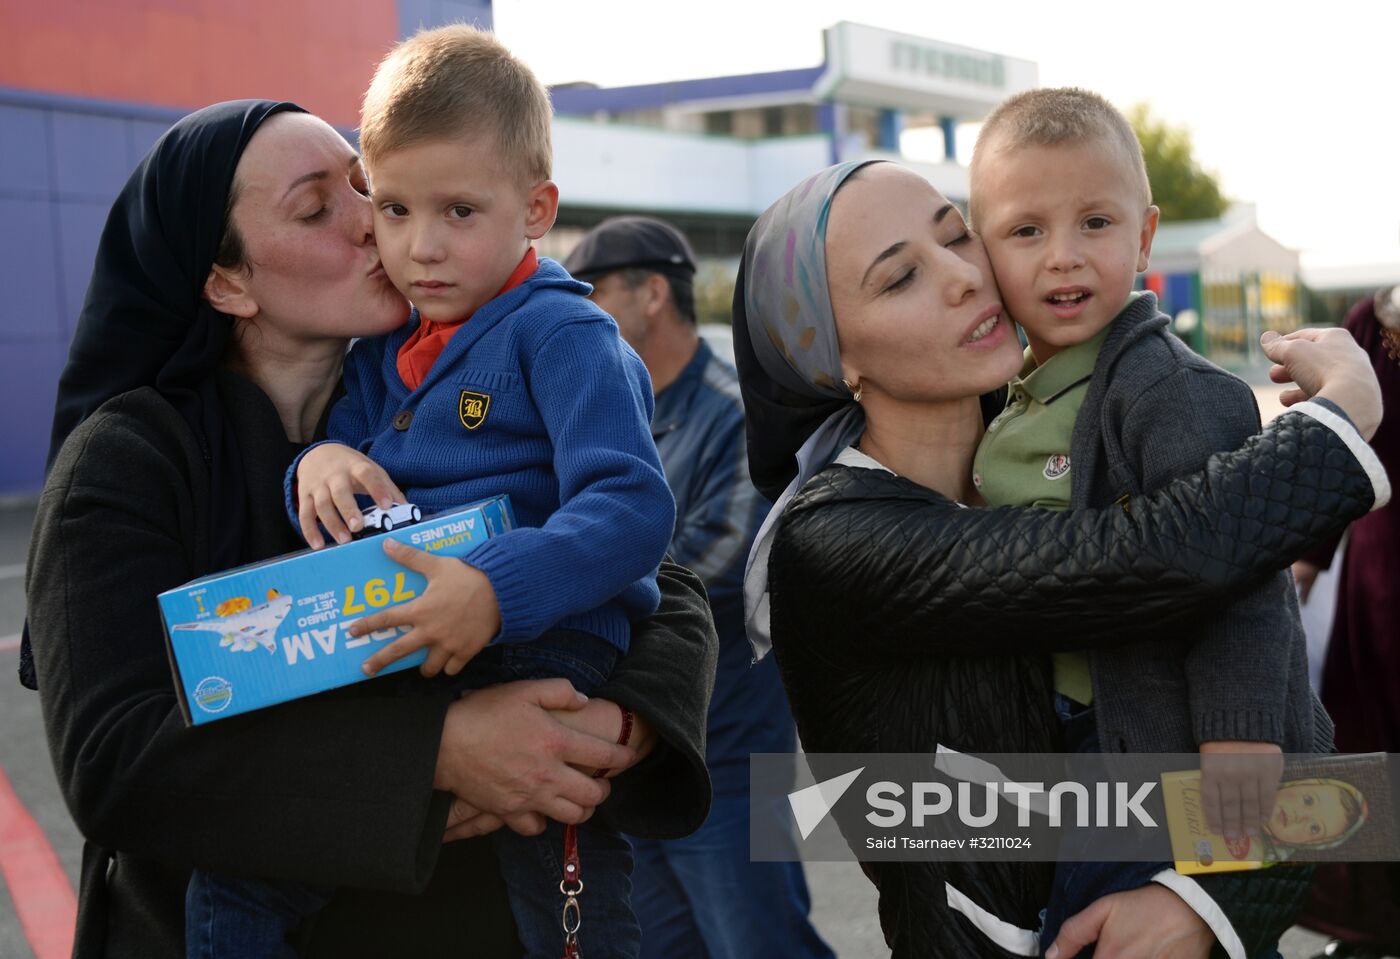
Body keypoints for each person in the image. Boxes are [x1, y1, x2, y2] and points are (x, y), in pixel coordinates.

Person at [25, 99, 717, 959]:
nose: (376, 224)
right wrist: (440, 750)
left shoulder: (432, 369)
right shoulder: (129, 457)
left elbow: (662, 570)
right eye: (319, 208)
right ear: (227, 282)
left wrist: (621, 721)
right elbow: (114, 757)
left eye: (367, 187)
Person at [731, 160, 1389, 959]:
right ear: (832, 361)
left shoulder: (1071, 447)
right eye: (901, 276)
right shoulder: (832, 541)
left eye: (956, 236)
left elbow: (1298, 753)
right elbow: (1160, 560)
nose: (963, 278)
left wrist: (1204, 898)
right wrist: (1341, 416)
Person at [195, 27, 674, 959]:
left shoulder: (565, 334)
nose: (421, 248)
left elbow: (630, 506)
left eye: (460, 211)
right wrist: (318, 465)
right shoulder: (383, 349)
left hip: (541, 656)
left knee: (570, 916)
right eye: (397, 208)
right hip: (408, 647)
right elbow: (352, 448)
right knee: (239, 876)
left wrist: (495, 586)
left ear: (535, 208)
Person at [966, 87, 1322, 948]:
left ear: (1146, 236)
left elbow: (1243, 565)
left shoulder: (1166, 389)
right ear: (983, 251)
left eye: (1095, 222)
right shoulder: (1014, 395)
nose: (1063, 257)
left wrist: (1240, 732)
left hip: (1165, 744)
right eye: (1026, 231)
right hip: (1071, 740)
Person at [565, 216, 834, 959]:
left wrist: (577, 571)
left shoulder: (737, 412)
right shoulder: (610, 410)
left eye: (594, 292)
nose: (578, 310)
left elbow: (724, 565)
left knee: (762, 942)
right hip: (645, 748)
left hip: (739, 755)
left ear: (653, 293)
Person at [1293, 287, 1400, 959]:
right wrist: (1302, 565)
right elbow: (1344, 452)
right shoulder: (1373, 320)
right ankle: (1368, 929)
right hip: (1382, 585)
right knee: (1367, 750)